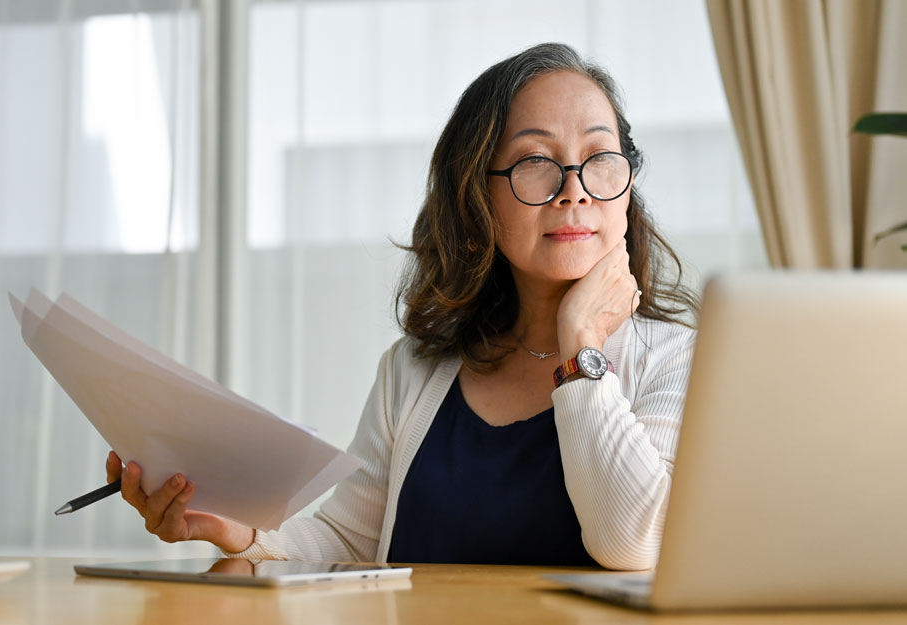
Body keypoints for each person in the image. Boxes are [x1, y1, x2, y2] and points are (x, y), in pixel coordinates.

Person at [105, 42, 699, 571]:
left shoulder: (676, 360)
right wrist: (241, 534)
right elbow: (346, 540)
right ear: (478, 198)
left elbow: (633, 544)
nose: (574, 187)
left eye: (599, 157)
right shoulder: (412, 370)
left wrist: (581, 347)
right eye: (535, 162)